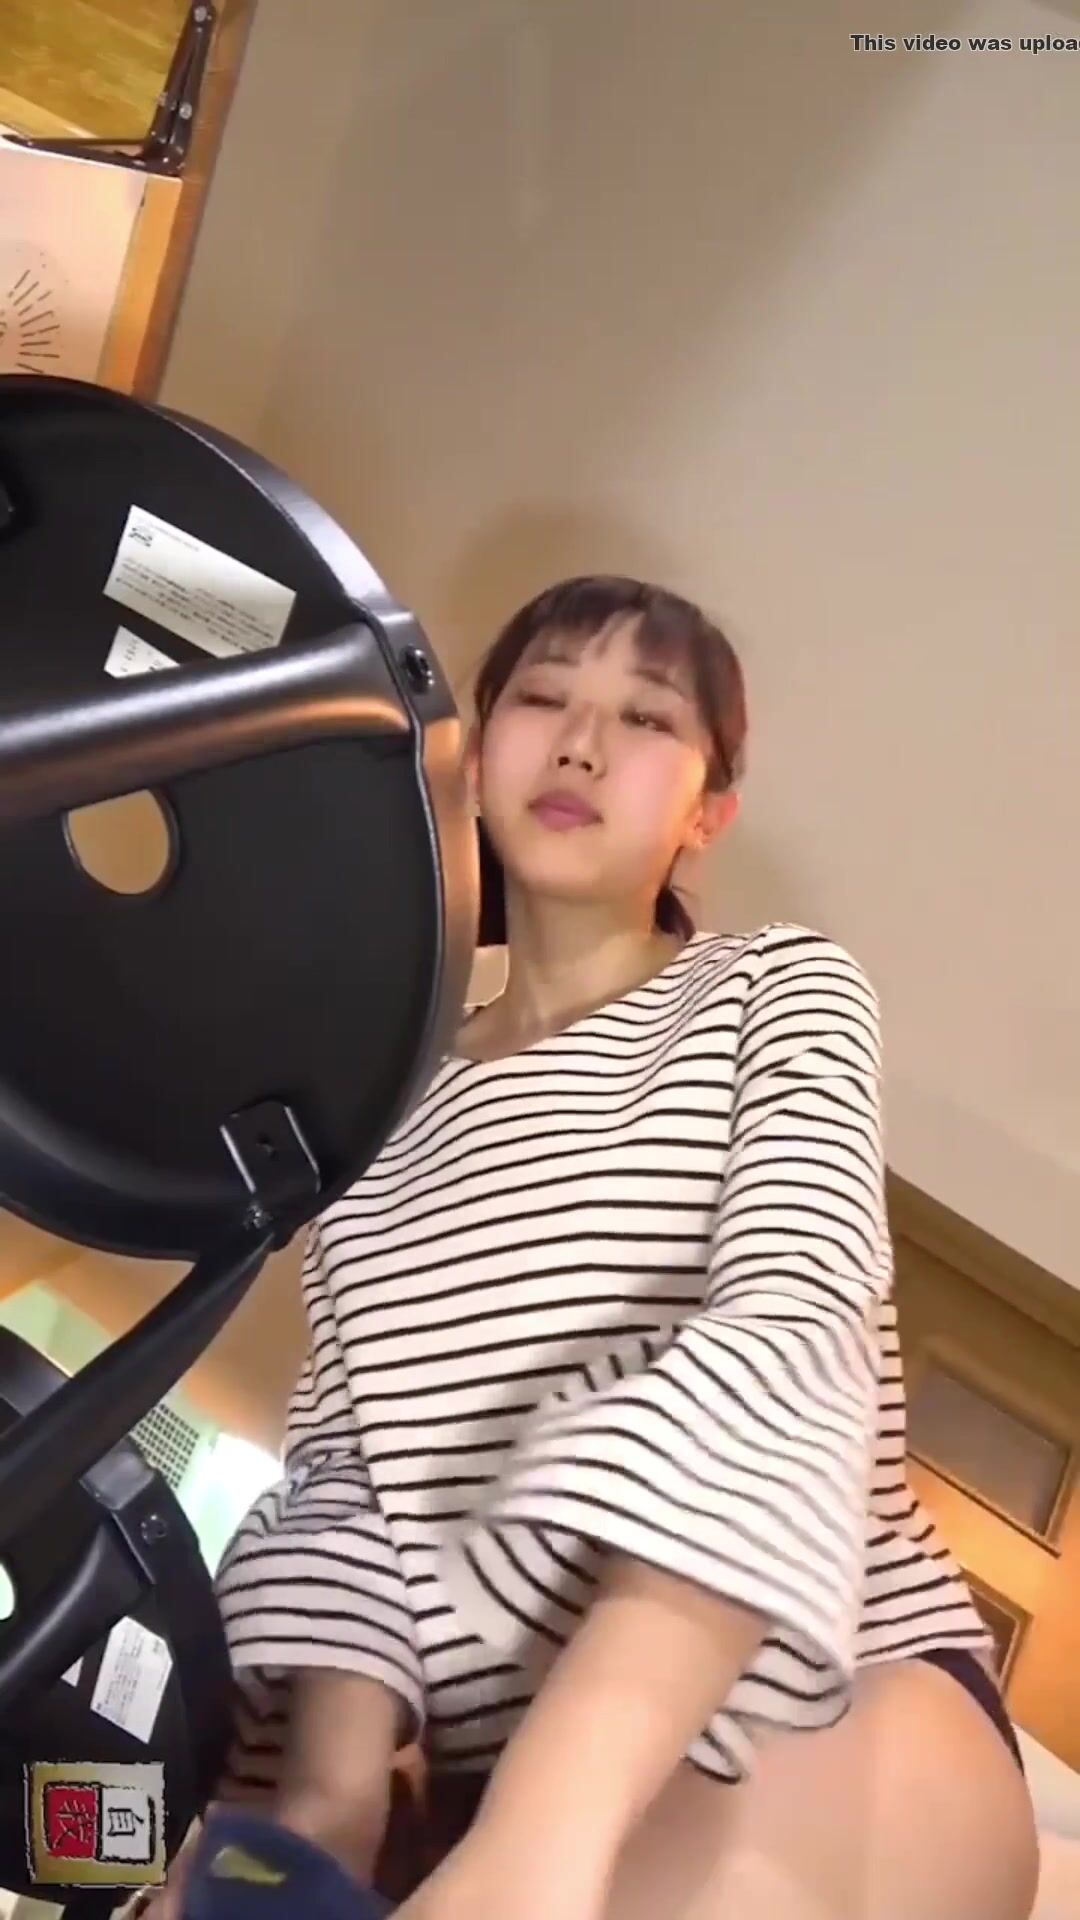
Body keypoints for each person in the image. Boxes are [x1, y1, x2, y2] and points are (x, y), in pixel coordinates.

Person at [162, 577, 1039, 1919]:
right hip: (481, 1780)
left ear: (706, 814)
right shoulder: (381, 1114)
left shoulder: (776, 986)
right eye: (545, 697)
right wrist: (333, 1805)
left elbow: (795, 1322)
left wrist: (545, 1829)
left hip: (822, 1693)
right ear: (475, 758)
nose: (581, 744)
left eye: (645, 718)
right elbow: (347, 1474)